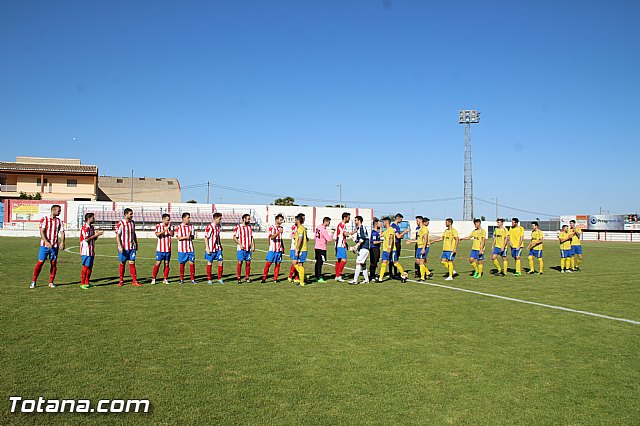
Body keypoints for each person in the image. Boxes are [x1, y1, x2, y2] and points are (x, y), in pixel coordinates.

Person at [31, 204, 65, 289]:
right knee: (40, 262)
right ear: (53, 210)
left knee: (53, 263)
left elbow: (62, 232)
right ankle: (33, 281)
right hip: (44, 246)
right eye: (59, 210)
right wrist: (46, 242)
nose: (60, 212)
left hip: (54, 246)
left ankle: (51, 282)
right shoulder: (45, 219)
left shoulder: (59, 221)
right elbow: (42, 231)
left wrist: (62, 242)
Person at [377, 217, 408, 283]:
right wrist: (381, 228)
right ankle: (380, 278)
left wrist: (390, 247)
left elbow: (391, 238)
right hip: (385, 250)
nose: (383, 223)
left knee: (395, 263)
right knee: (384, 263)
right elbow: (380, 235)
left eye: (383, 222)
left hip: (391, 250)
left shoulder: (391, 229)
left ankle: (403, 275)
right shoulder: (386, 230)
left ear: (386, 222)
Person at [116, 208, 140, 287]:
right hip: (124, 247)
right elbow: (118, 235)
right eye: (131, 214)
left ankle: (134, 280)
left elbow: (134, 233)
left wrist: (136, 243)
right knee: (122, 263)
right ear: (126, 214)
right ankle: (121, 280)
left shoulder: (132, 223)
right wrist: (120, 246)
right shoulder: (121, 223)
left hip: (131, 247)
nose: (132, 215)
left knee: (132, 263)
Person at [79, 212, 103, 289]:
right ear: (89, 219)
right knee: (86, 266)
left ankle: (87, 282)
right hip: (86, 250)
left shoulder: (92, 228)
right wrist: (95, 235)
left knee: (90, 267)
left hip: (91, 249)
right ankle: (82, 283)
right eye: (93, 218)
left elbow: (93, 239)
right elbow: (86, 239)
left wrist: (97, 236)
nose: (94, 219)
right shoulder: (85, 228)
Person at [406, 216, 432, 281]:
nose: (416, 222)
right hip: (419, 247)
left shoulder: (424, 229)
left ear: (420, 221)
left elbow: (425, 239)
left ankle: (422, 278)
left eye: (417, 221)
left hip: (423, 247)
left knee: (421, 262)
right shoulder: (419, 229)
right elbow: (419, 240)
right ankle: (428, 273)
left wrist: (423, 248)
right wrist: (410, 241)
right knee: (418, 261)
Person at [151, 213, 174, 285]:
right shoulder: (158, 226)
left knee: (166, 264)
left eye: (169, 220)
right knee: (158, 263)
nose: (169, 221)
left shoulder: (171, 226)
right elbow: (157, 234)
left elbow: (172, 234)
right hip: (160, 249)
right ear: (163, 219)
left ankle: (165, 279)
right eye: (167, 220)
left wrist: (169, 229)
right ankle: (154, 278)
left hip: (168, 249)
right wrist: (165, 230)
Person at [262, 213, 285, 283]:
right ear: (276, 220)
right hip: (272, 249)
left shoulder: (281, 228)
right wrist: (278, 232)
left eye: (282, 220)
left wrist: (283, 247)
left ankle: (275, 278)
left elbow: (280, 238)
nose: (281, 221)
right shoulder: (272, 227)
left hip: (279, 249)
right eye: (280, 220)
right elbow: (271, 237)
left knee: (278, 264)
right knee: (268, 264)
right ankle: (264, 278)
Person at [175, 212, 196, 284]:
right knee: (182, 263)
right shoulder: (179, 227)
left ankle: (192, 279)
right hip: (182, 249)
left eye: (189, 217)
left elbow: (192, 237)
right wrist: (186, 237)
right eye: (188, 217)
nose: (189, 219)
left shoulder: (191, 226)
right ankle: (181, 279)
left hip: (190, 248)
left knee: (192, 263)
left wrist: (192, 236)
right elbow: (178, 237)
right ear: (183, 218)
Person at [233, 213, 255, 283]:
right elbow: (234, 237)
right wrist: (240, 244)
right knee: (240, 262)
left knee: (248, 263)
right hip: (241, 249)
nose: (249, 220)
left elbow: (251, 237)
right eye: (248, 219)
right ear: (244, 219)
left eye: (249, 219)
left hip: (248, 249)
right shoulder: (238, 227)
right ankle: (239, 278)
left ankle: (247, 277)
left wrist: (253, 245)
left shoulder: (249, 227)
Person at [349, 215, 370, 284]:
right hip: (362, 248)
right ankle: (366, 279)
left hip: (364, 248)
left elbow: (363, 238)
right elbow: (359, 240)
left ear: (359, 221)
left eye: (355, 220)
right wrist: (353, 239)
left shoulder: (362, 227)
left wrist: (357, 245)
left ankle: (355, 280)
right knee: (363, 264)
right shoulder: (359, 229)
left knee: (358, 262)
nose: (355, 221)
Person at [205, 212, 224, 284]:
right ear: (215, 218)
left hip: (218, 248)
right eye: (220, 219)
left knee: (220, 262)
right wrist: (207, 247)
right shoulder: (210, 227)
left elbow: (218, 237)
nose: (220, 220)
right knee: (210, 262)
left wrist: (220, 245)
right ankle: (209, 279)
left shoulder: (218, 227)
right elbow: (206, 237)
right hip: (211, 248)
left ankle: (219, 278)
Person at [334, 212, 354, 282]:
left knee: (339, 260)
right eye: (348, 217)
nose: (349, 219)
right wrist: (351, 236)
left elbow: (345, 234)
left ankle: (337, 276)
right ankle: (339, 275)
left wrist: (354, 232)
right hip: (340, 245)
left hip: (338, 244)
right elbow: (345, 233)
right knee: (344, 260)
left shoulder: (342, 225)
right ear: (345, 218)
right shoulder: (342, 224)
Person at [390, 213, 411, 278]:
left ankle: (395, 272)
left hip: (398, 243)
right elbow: (398, 236)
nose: (401, 220)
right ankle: (392, 273)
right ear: (398, 218)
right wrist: (405, 231)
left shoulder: (397, 226)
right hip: (395, 243)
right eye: (401, 219)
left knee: (396, 258)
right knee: (393, 258)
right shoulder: (393, 226)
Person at [313, 216, 334, 283]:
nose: (329, 223)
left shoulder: (318, 227)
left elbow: (315, 237)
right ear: (326, 221)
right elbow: (329, 239)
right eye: (329, 222)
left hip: (316, 247)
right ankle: (319, 277)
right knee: (320, 263)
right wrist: (332, 233)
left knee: (317, 262)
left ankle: (316, 276)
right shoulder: (323, 229)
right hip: (321, 248)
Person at [292, 214, 309, 286]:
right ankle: (303, 277)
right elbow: (306, 239)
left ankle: (302, 281)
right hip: (302, 249)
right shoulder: (303, 228)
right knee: (296, 263)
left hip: (301, 250)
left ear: (298, 221)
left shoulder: (300, 229)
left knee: (298, 264)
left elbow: (300, 239)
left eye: (295, 220)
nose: (294, 221)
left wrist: (297, 249)